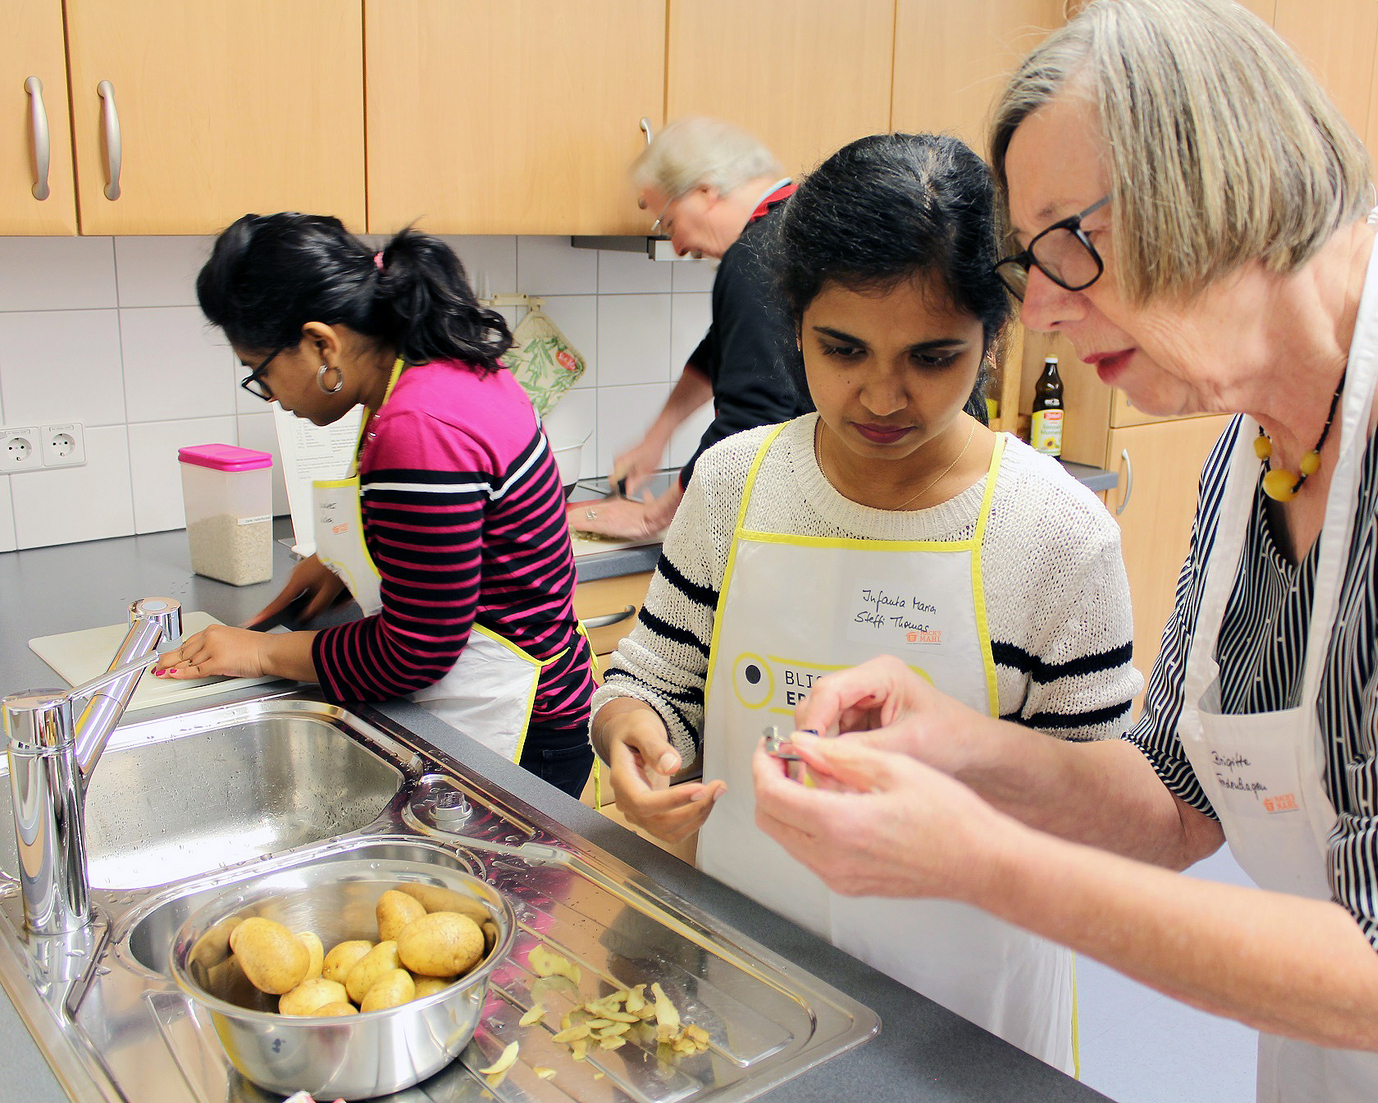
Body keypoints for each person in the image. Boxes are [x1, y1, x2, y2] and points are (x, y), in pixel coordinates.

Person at [748, 1, 1378, 1100]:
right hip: (1319, 1024)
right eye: (1030, 259)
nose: (1044, 311)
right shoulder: (1258, 439)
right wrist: (958, 746)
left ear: (1224, 180)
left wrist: (975, 858)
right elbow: (1179, 797)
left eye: (1069, 242)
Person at [589, 132, 1142, 1069]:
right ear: (794, 321)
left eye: (932, 356)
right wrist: (630, 733)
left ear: (992, 338)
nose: (881, 394)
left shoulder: (1055, 533)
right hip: (747, 971)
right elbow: (653, 672)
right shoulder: (732, 484)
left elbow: (1107, 807)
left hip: (966, 1005)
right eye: (842, 348)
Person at [155, 214, 597, 797]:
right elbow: (455, 542)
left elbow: (414, 652)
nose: (271, 397)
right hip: (538, 702)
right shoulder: (432, 366)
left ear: (321, 343)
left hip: (510, 733)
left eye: (259, 373)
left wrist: (262, 652)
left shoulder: (416, 427)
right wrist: (348, 561)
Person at [571, 117, 807, 540]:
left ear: (704, 190)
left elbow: (750, 423)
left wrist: (653, 515)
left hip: (795, 516)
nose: (677, 246)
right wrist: (656, 438)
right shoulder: (796, 223)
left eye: (668, 221)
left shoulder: (757, 256)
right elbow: (722, 349)